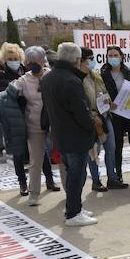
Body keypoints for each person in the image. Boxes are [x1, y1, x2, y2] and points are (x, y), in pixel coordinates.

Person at [41, 43, 98, 226]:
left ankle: (75, 207)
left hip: (61, 134)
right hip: (75, 136)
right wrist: (92, 125)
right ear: (76, 60)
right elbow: (81, 113)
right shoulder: (71, 81)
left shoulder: (49, 78)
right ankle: (73, 213)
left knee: (73, 174)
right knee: (76, 176)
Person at [14, 47, 57, 205]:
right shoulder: (24, 80)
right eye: (29, 62)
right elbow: (11, 93)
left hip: (54, 125)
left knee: (62, 160)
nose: (33, 65)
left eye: (36, 61)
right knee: (35, 161)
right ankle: (34, 193)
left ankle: (70, 192)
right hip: (34, 125)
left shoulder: (52, 76)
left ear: (43, 60)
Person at [101, 47, 130, 183]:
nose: (113, 57)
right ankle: (118, 174)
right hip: (114, 115)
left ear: (121, 57)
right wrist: (108, 103)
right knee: (117, 145)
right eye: (110, 55)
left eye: (115, 55)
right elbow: (100, 94)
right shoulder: (103, 75)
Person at [81, 48, 119, 191]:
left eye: (93, 58)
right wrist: (91, 115)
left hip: (105, 115)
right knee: (93, 151)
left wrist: (109, 103)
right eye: (89, 58)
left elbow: (104, 92)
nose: (92, 61)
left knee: (111, 147)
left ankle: (112, 177)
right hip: (91, 118)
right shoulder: (79, 78)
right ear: (81, 61)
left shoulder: (96, 75)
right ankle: (96, 181)